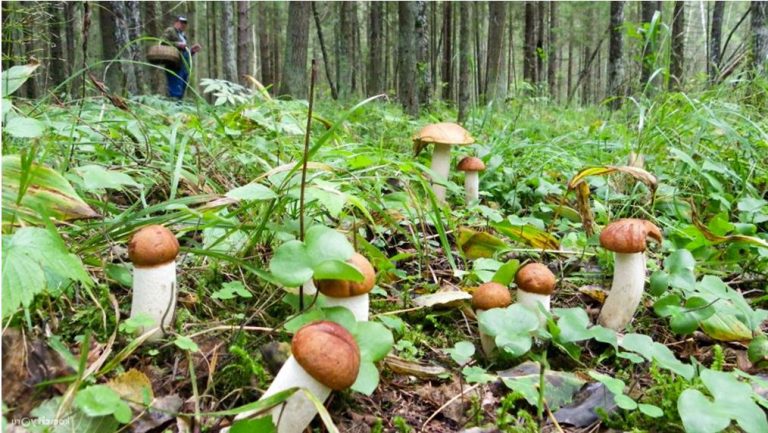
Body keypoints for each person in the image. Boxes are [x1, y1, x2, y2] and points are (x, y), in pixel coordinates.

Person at [162, 16, 201, 100]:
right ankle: (174, 109)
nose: (183, 25)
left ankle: (179, 108)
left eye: (185, 23)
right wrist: (177, 44)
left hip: (183, 65)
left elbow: (183, 52)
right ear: (176, 22)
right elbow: (163, 43)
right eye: (181, 22)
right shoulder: (170, 31)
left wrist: (192, 51)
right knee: (175, 90)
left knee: (182, 89)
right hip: (174, 65)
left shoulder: (183, 35)